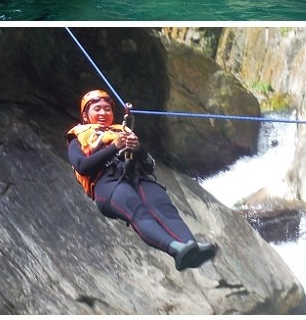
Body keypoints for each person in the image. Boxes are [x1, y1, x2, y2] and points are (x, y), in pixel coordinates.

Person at [65, 90, 217, 271]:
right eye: (97, 109)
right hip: (107, 184)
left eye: (107, 109)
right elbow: (82, 166)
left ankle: (191, 245)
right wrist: (114, 147)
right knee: (137, 208)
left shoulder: (122, 131)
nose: (103, 113)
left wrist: (138, 150)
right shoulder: (77, 138)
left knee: (162, 205)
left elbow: (149, 166)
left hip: (134, 176)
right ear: (85, 115)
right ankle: (177, 249)